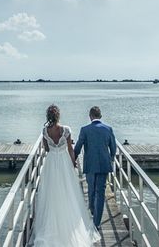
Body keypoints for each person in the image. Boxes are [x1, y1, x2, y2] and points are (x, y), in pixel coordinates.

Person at [30, 104, 100, 246]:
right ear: (58, 116)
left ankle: (51, 225)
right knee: (68, 192)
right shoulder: (66, 130)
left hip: (51, 163)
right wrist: (73, 164)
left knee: (51, 192)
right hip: (63, 162)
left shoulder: (44, 130)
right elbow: (70, 150)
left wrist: (52, 145)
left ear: (48, 117)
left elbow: (47, 148)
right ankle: (69, 223)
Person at [74, 106, 116, 229]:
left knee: (91, 189)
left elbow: (78, 146)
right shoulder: (108, 129)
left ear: (90, 116)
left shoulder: (84, 130)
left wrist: (73, 157)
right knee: (100, 192)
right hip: (104, 164)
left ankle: (92, 209)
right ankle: (97, 223)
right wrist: (111, 158)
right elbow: (113, 147)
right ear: (100, 116)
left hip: (90, 164)